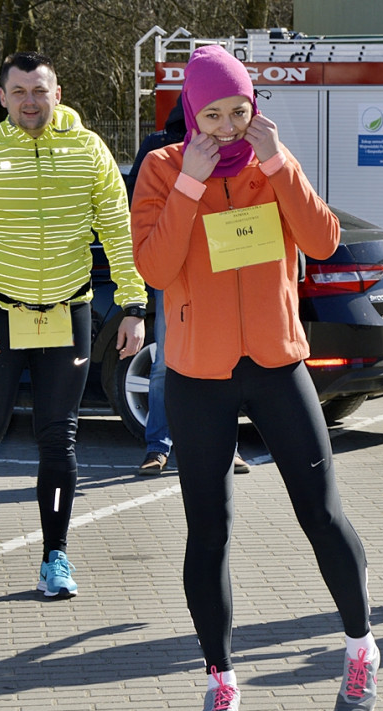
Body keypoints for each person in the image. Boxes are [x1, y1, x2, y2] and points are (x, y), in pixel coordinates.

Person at [131, 45, 379, 711]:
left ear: (254, 108)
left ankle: (361, 648)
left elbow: (323, 241)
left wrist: (279, 164)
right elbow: (154, 267)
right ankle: (221, 680)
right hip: (198, 377)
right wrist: (189, 183)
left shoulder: (272, 162)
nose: (225, 127)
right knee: (208, 531)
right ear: (190, 112)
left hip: (276, 366)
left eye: (238, 111)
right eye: (211, 114)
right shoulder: (162, 167)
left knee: (322, 514)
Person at [0, 52, 148, 597]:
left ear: (57, 93)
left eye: (39, 90)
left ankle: (55, 558)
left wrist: (134, 306)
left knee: (59, 438)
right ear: (2, 97)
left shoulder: (89, 151)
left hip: (68, 313)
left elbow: (120, 233)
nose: (29, 101)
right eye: (18, 91)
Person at [125, 100, 250, 477]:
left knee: (227, 361)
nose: (221, 123)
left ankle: (227, 448)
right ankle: (158, 445)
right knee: (167, 361)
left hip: (221, 265)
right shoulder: (159, 148)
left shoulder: (235, 144)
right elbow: (137, 205)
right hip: (174, 270)